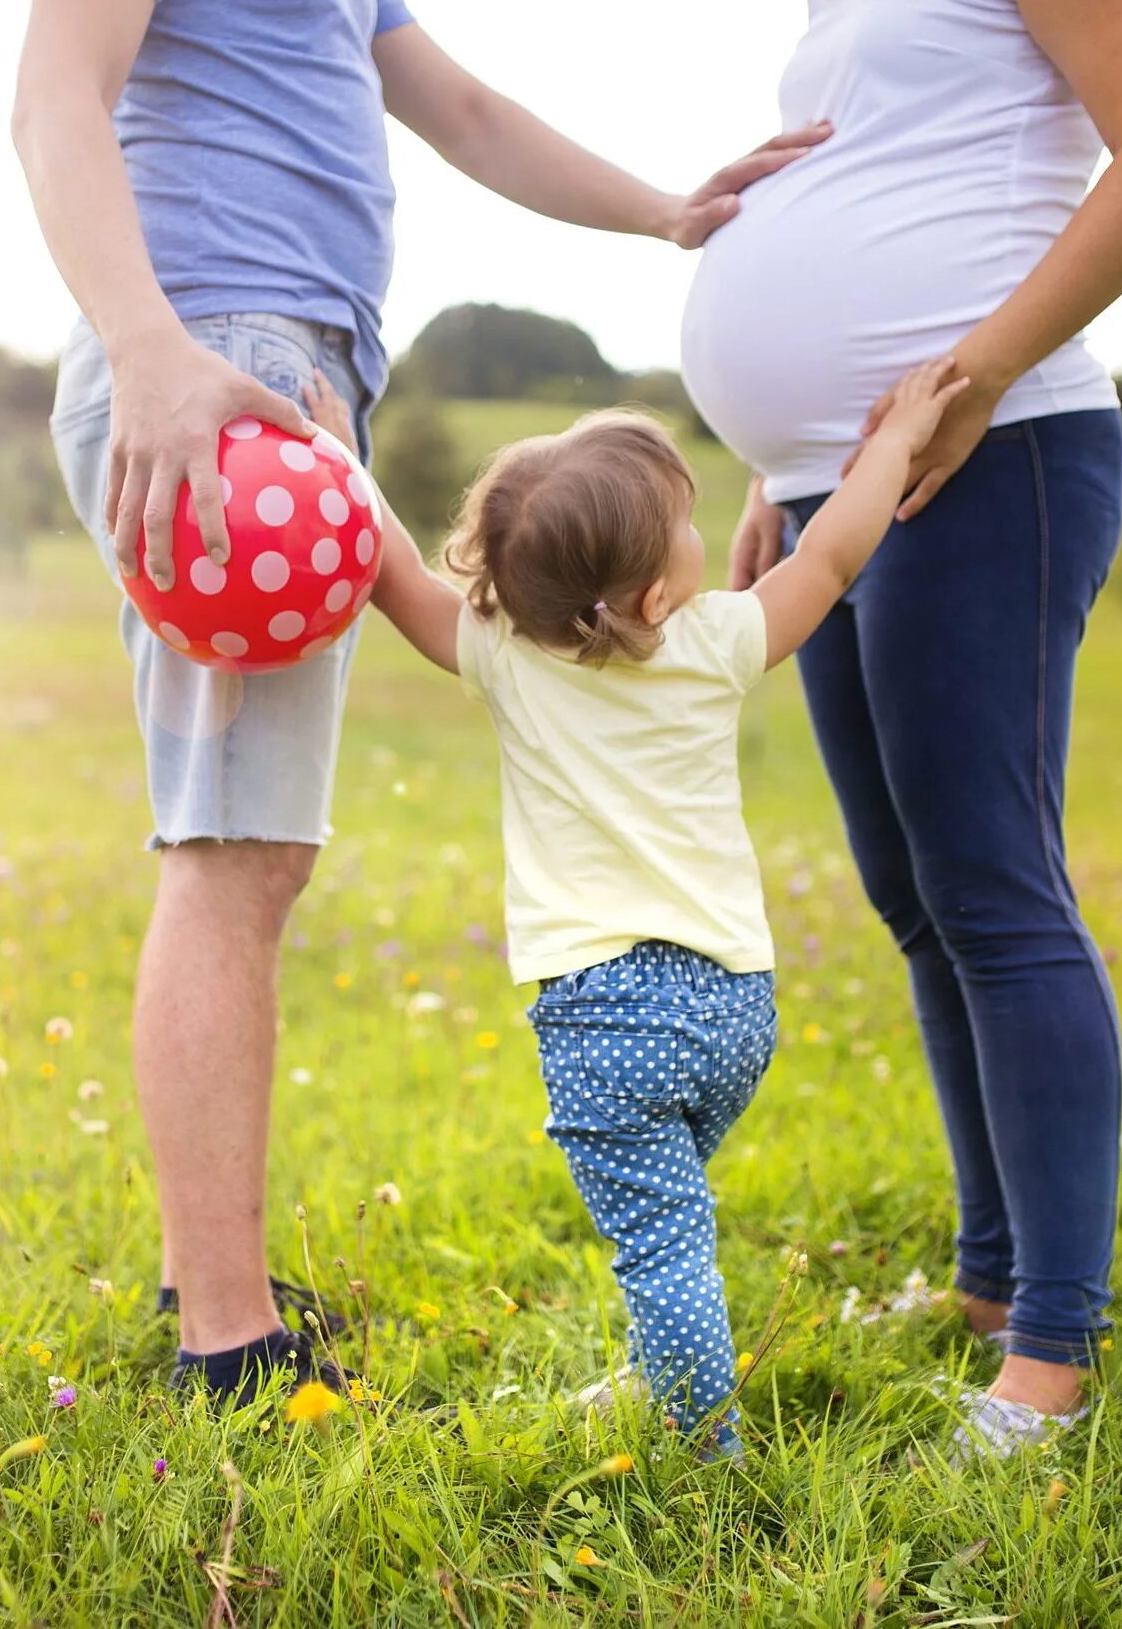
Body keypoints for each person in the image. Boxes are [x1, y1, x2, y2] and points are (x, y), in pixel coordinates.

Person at [12, 0, 827, 1399]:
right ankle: (224, 1336)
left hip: (273, 367)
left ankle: (214, 1283)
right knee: (232, 846)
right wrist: (152, 352)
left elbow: (457, 105)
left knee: (246, 844)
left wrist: (664, 211)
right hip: (215, 364)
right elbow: (53, 93)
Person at [679, 0, 1122, 1454]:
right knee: (913, 895)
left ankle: (1051, 1343)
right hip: (835, 490)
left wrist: (978, 372)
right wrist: (774, 463)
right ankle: (987, 1287)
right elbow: (877, 207)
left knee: (991, 884)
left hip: (998, 451)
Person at [357, 360, 968, 1454]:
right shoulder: (717, 644)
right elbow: (831, 553)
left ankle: (707, 1450)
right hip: (735, 1008)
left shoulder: (502, 656)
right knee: (671, 1218)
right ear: (652, 595)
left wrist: (337, 458)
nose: (698, 538)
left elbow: (394, 574)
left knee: (663, 1236)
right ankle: (663, 1364)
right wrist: (896, 443)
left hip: (606, 1018)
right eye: (685, 524)